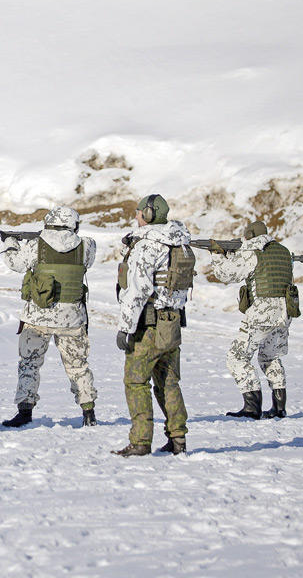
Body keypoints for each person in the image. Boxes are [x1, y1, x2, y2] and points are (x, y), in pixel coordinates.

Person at [0, 206, 99, 428]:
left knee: (29, 364)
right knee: (78, 366)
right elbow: (87, 262)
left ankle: (24, 412)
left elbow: (15, 263)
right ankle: (88, 411)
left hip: (38, 318)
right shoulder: (87, 246)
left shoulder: (36, 245)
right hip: (72, 319)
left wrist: (10, 242)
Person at [113, 194, 194, 456]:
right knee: (168, 382)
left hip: (148, 324)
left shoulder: (148, 246)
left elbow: (138, 289)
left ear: (147, 214)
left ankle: (140, 442)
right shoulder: (180, 244)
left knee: (135, 381)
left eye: (138, 212)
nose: (136, 216)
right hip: (172, 322)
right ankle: (178, 439)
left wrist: (125, 326)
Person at [210, 220, 296, 419]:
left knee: (237, 357)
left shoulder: (253, 253)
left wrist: (217, 255)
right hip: (285, 313)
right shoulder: (283, 252)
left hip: (262, 313)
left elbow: (226, 274)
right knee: (270, 357)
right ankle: (279, 407)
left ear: (248, 236)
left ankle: (252, 407)